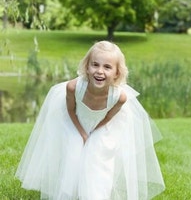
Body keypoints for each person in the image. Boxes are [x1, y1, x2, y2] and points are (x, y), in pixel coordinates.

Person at [16, 41, 165, 200]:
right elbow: (70, 110)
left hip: (103, 125)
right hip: (75, 121)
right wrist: (82, 133)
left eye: (107, 67)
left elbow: (108, 117)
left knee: (98, 157)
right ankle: (69, 193)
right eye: (95, 65)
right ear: (87, 67)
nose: (100, 71)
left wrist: (94, 133)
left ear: (116, 73)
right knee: (74, 151)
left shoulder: (119, 97)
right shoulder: (74, 88)